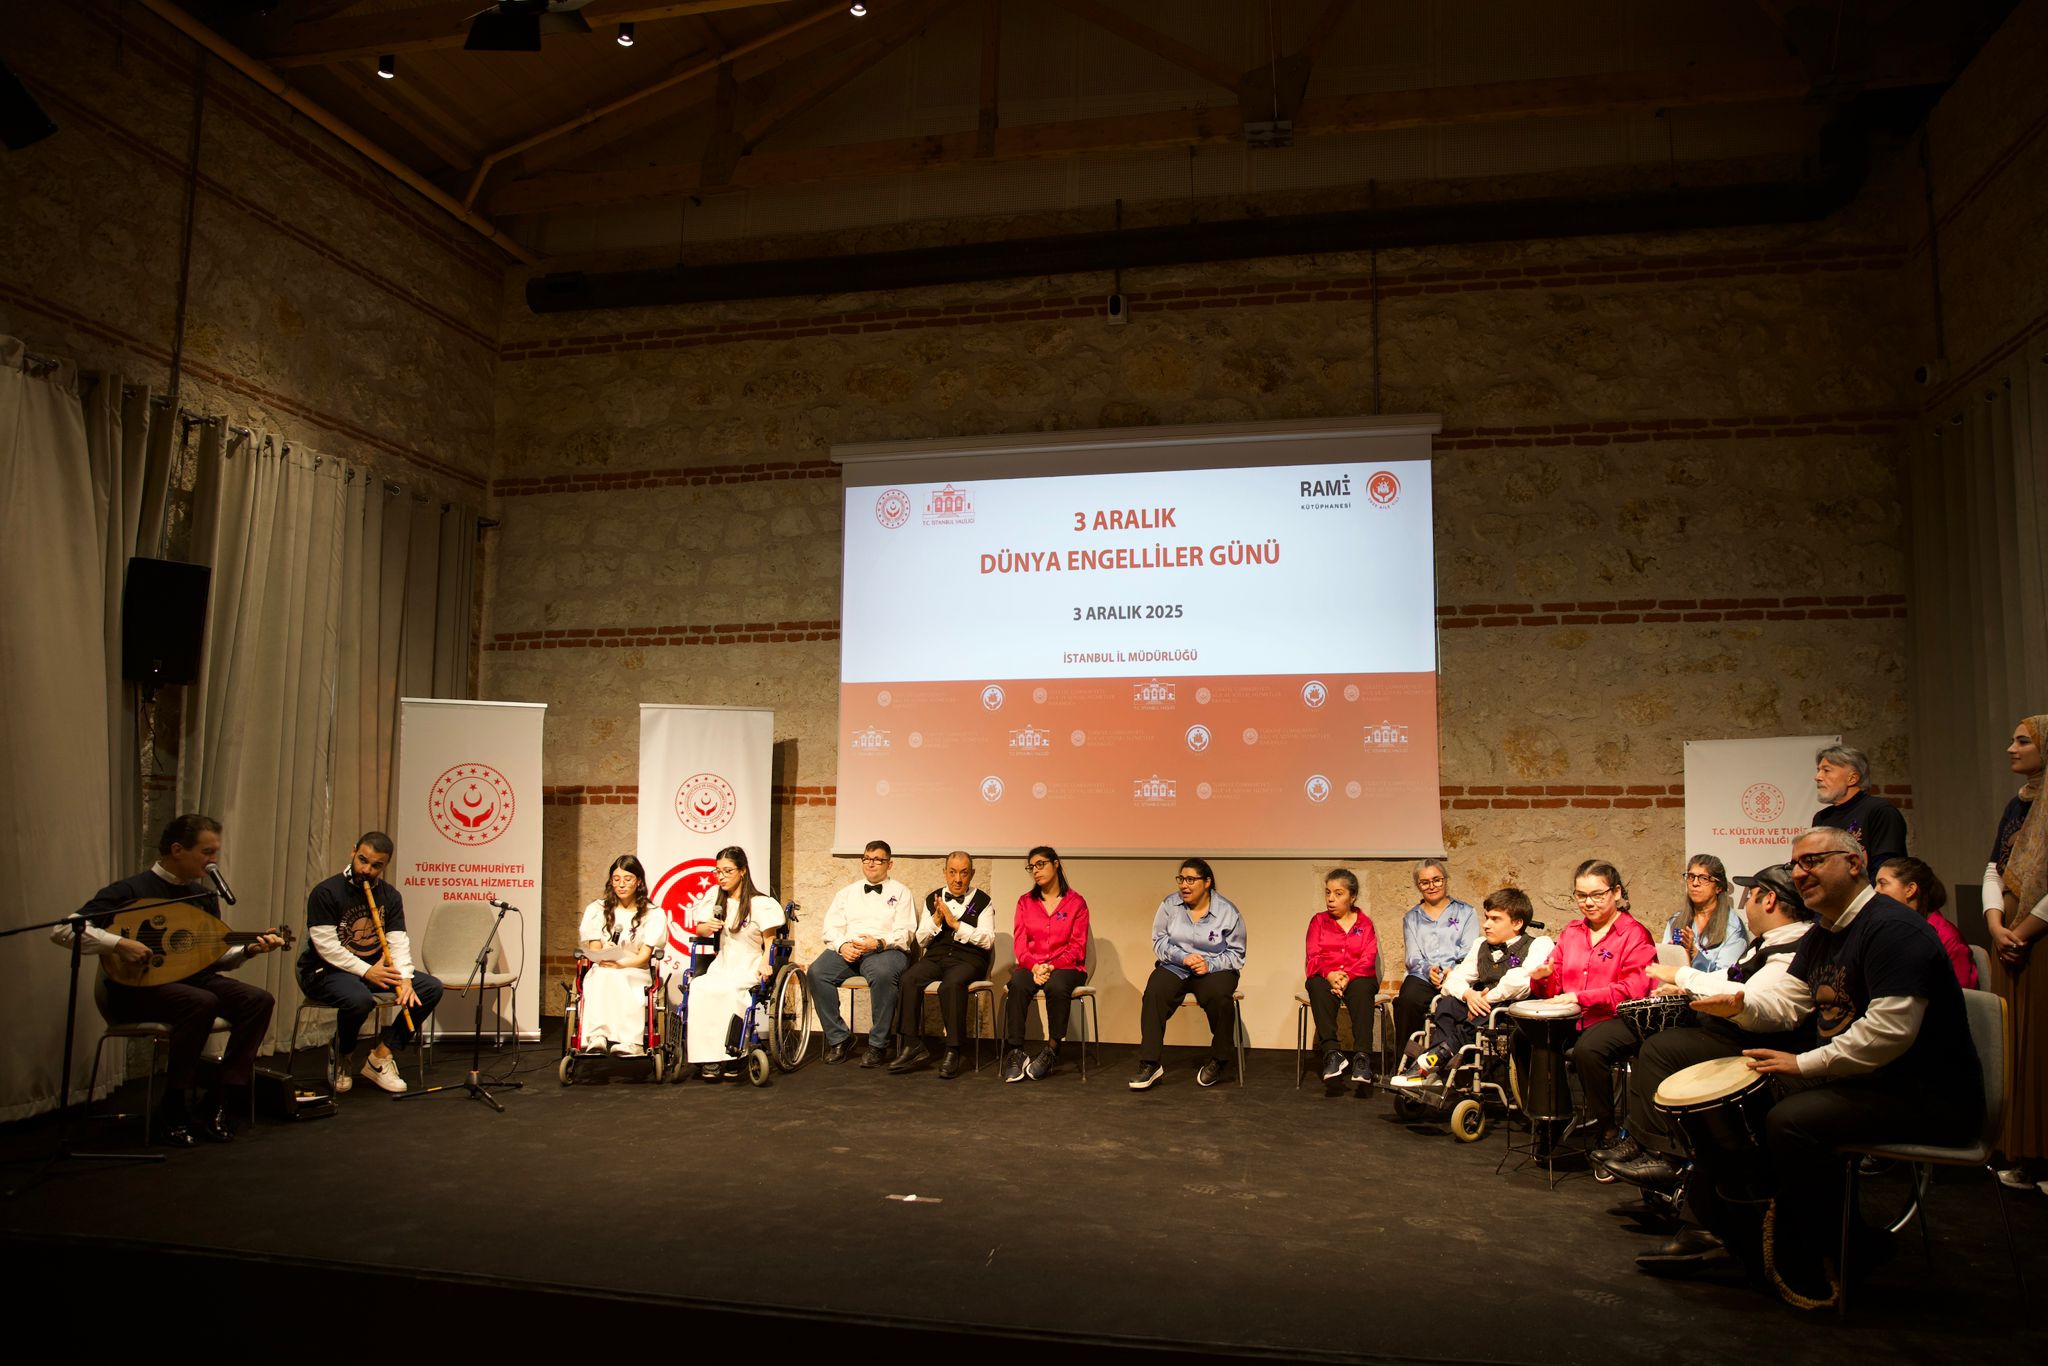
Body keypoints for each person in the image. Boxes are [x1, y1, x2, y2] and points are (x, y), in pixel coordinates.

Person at [1671, 827, 1981, 1309]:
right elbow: (1787, 1006)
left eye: (1813, 861)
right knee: (1739, 1101)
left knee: (1791, 1120)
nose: (1800, 873)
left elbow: (1889, 1033)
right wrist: (1739, 1006)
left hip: (1925, 1093)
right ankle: (1755, 1236)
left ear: (1855, 864)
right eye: (1796, 864)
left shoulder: (1893, 929)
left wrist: (1803, 1064)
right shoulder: (1824, 933)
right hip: (1866, 1082)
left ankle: (1828, 1257)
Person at [54, 814, 283, 1144]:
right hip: (135, 991)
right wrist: (118, 943)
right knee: (201, 1002)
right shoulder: (130, 890)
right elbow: (64, 930)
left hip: (192, 983)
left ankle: (219, 1099)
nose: (213, 861)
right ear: (177, 850)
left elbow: (210, 958)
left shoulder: (202, 897)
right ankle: (173, 1105)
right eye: (206, 852)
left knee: (258, 1000)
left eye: (215, 852)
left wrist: (248, 950)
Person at [1599, 862, 1815, 1207]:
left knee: (1661, 1049)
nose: (1747, 903)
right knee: (1651, 1044)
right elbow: (1731, 980)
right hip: (1738, 1032)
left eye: (1751, 895)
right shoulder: (1771, 942)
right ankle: (1644, 1141)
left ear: (1770, 900)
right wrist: (1684, 985)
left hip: (1761, 1045)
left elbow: (1753, 1001)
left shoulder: (1792, 947)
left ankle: (1663, 1153)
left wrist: (1684, 976)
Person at [298, 832, 444, 1096]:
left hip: (371, 970)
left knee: (429, 988)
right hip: (325, 970)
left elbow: (397, 940)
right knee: (359, 999)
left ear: (385, 865)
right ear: (353, 851)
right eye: (363, 860)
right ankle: (342, 1053)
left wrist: (405, 978)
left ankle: (381, 1056)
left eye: (376, 865)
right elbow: (326, 947)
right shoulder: (326, 892)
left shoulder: (390, 896)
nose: (366, 870)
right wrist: (367, 971)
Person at [1528, 858, 1655, 1147]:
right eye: (1581, 895)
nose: (1588, 902)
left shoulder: (1634, 934)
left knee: (1589, 1049)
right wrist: (1543, 979)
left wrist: (1580, 997)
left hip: (1618, 1018)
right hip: (1575, 1016)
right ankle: (1553, 1116)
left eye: (1597, 895)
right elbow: (1553, 986)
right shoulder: (1572, 933)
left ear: (1616, 892)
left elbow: (1633, 990)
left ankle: (1607, 1127)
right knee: (1524, 1037)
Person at [1388, 887, 1553, 1087]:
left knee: (1485, 1010)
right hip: (1483, 1004)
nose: (1486, 924)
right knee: (1448, 1004)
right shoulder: (1481, 945)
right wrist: (1468, 994)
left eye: (1495, 919)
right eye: (1487, 917)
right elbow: (1454, 980)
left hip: (1511, 1008)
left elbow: (1519, 982)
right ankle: (1437, 1068)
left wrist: (1485, 999)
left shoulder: (1539, 944)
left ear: (1517, 923)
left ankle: (1434, 1060)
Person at [1984, 713, 2047, 1191]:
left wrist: (2022, 932)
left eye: (2023, 741)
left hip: (2038, 940)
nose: (2012, 748)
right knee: (2014, 1045)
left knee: (2040, 1044)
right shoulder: (2017, 804)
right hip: (2007, 935)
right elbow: (1993, 868)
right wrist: (1995, 924)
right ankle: (2022, 1152)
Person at [1130, 858, 1246, 1090]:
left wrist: (1209, 965)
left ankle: (1219, 1059)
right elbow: (1159, 941)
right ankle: (1150, 1063)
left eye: (1191, 880)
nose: (1184, 885)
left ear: (1207, 882)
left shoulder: (1227, 912)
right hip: (1176, 965)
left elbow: (1237, 954)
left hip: (1214, 968)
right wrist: (1182, 957)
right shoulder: (1169, 905)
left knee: (1219, 996)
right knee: (1154, 992)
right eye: (1181, 879)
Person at [808, 840, 915, 1066]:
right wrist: (842, 946)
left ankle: (878, 1044)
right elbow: (830, 928)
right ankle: (840, 1038)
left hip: (886, 950)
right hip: (851, 948)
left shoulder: (901, 892)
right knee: (817, 972)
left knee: (883, 974)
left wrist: (878, 943)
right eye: (867, 859)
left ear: (889, 864)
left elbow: (906, 933)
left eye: (877, 859)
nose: (871, 863)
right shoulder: (846, 893)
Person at [890, 850, 996, 1079]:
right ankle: (912, 1044)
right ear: (945, 872)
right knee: (909, 979)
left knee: (951, 984)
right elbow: (921, 940)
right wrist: (936, 920)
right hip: (936, 957)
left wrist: (956, 925)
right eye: (953, 872)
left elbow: (988, 940)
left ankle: (953, 1049)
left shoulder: (983, 901)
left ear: (972, 874)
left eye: (964, 873)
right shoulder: (933, 898)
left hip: (969, 958)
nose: (958, 879)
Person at [685, 846, 785, 1081]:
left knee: (730, 991)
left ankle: (733, 1054)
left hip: (749, 962)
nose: (721, 877)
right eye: (717, 871)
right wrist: (707, 927)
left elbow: (770, 941)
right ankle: (708, 1057)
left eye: (727, 871)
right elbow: (699, 929)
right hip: (722, 962)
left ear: (742, 871)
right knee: (699, 987)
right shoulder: (715, 897)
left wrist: (766, 964)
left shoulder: (760, 903)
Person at [1000, 846, 1090, 1083]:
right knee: (1018, 983)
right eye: (1031, 867)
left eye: (1041, 864)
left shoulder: (1076, 903)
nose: (1035, 871)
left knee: (1057, 986)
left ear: (1056, 864)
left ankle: (1053, 1049)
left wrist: (1050, 966)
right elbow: (1020, 944)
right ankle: (1016, 1051)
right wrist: (1034, 967)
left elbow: (1077, 948)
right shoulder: (1025, 902)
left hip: (1067, 967)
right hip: (1032, 966)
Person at [575, 855, 666, 1056]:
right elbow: (594, 949)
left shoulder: (653, 913)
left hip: (635, 968)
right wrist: (603, 951)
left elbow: (644, 956)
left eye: (627, 879)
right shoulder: (597, 909)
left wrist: (622, 965)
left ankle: (630, 1041)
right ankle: (597, 1036)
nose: (621, 884)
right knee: (601, 975)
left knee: (620, 977)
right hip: (604, 966)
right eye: (616, 879)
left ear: (638, 881)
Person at [1390, 860, 1478, 1056]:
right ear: (1418, 886)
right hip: (1424, 976)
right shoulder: (1411, 917)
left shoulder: (1466, 912)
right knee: (1407, 1001)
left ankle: (1451, 1059)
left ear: (1445, 880)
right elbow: (1412, 957)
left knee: (1457, 1005)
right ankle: (1407, 1061)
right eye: (1425, 882)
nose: (1432, 886)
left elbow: (1469, 951)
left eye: (1437, 880)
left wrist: (1453, 972)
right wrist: (1429, 970)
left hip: (1458, 974)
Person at [1303, 868, 1380, 1086]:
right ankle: (1331, 1053)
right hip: (1326, 977)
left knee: (1363, 988)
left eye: (1338, 894)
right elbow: (1313, 957)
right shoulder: (1319, 921)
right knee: (1316, 985)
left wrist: (1347, 977)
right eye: (1328, 893)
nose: (1331, 899)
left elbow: (1368, 957)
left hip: (1357, 977)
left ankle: (1362, 1057)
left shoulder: (1364, 923)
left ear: (1352, 897)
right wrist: (1330, 975)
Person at [1873, 856, 1974, 989]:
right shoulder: (1890, 929)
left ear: (1910, 890)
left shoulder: (1947, 937)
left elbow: (1962, 993)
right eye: (1876, 884)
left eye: (1882, 883)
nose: (1875, 890)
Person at [1811, 744, 1907, 874]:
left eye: (1826, 770)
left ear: (1852, 779)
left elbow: (1887, 867)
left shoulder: (1880, 810)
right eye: (1818, 770)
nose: (1817, 777)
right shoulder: (1822, 818)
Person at [1664, 854, 1749, 975]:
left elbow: (1725, 976)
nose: (1695, 883)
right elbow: (1665, 967)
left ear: (1718, 887)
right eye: (1691, 877)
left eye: (1704, 878)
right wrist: (1670, 955)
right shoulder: (1675, 921)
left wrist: (1695, 954)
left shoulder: (1733, 927)